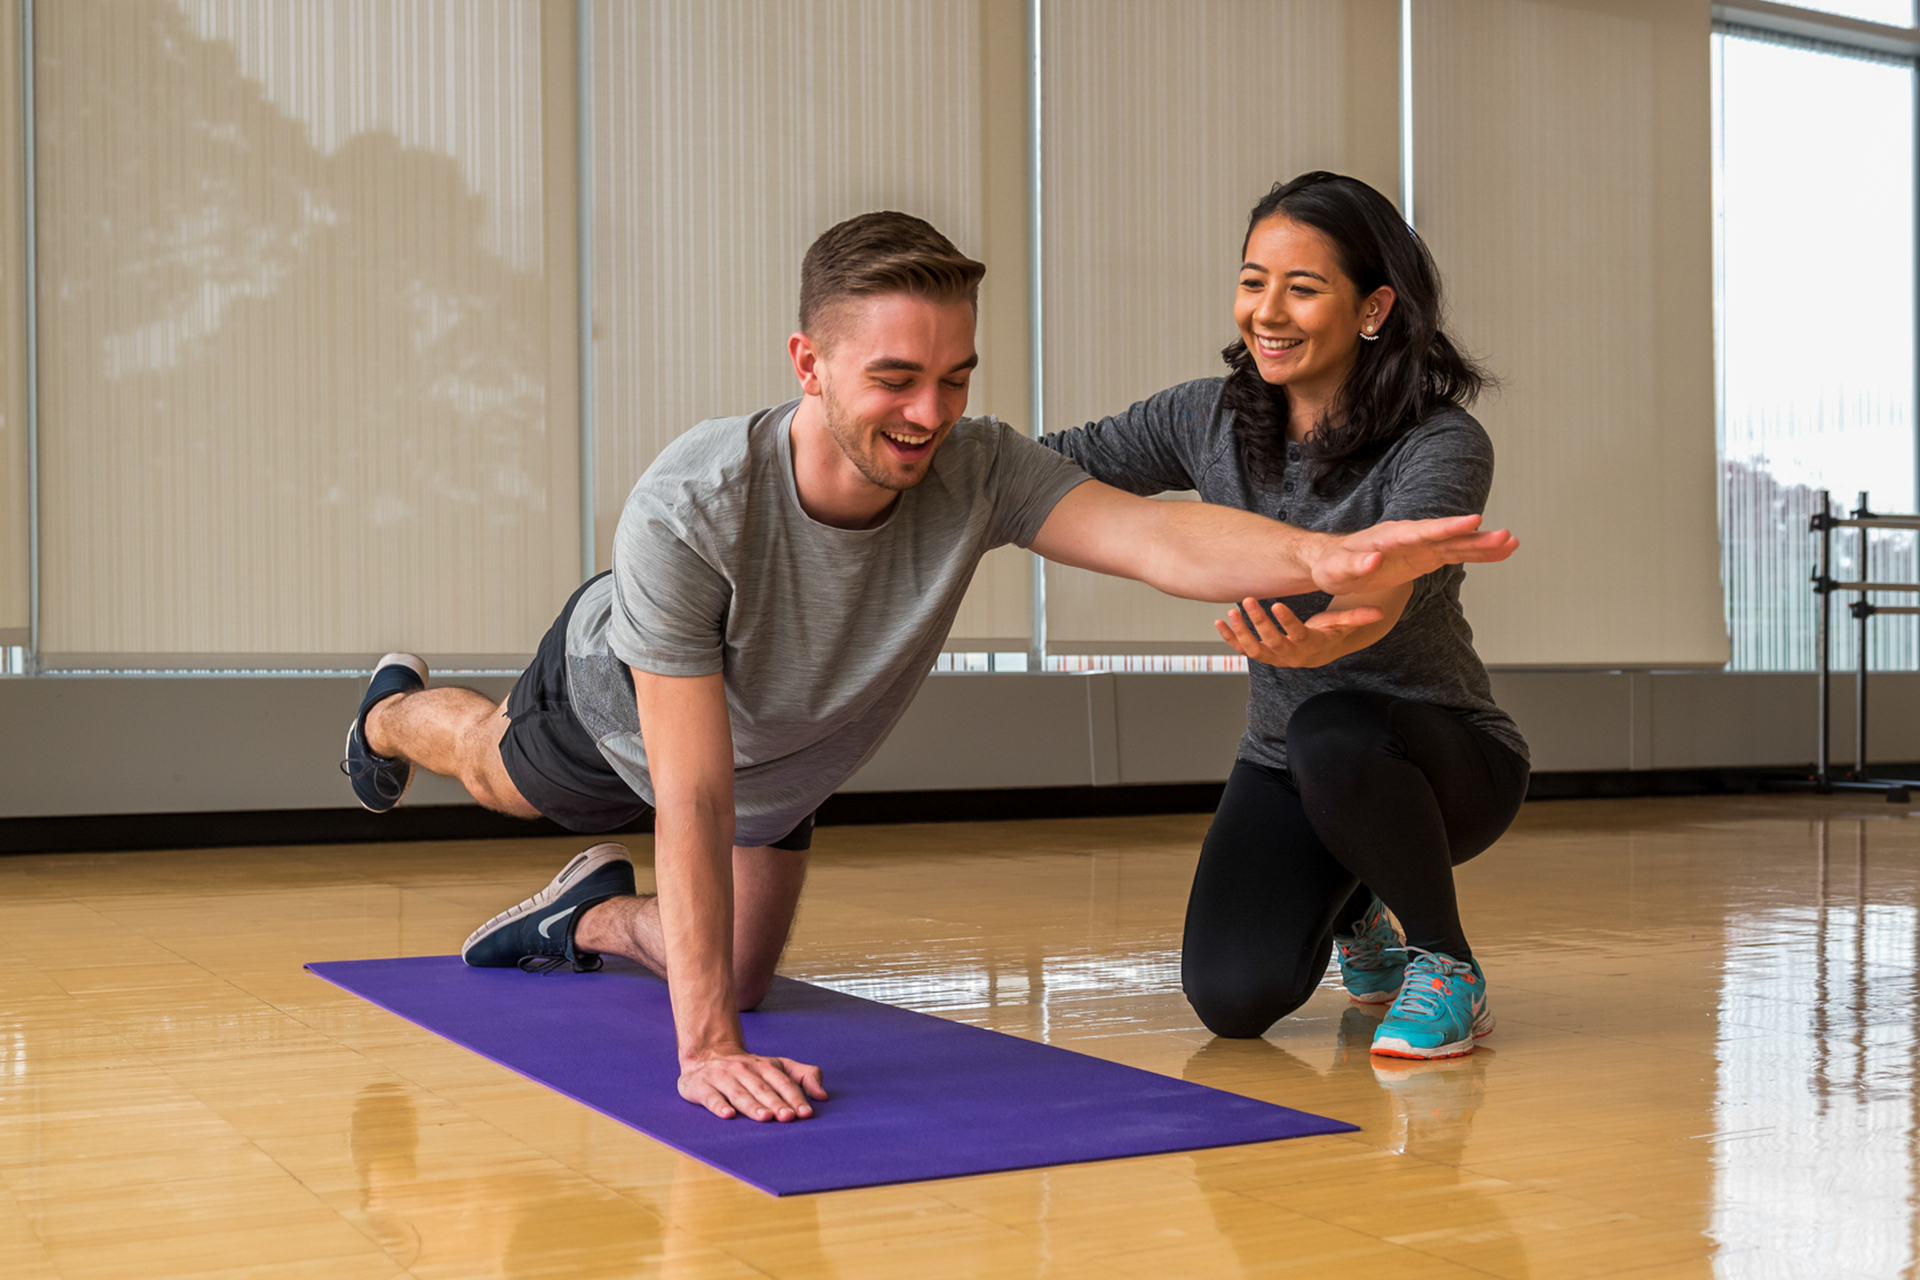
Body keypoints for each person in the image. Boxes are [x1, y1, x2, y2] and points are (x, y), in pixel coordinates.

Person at [338, 211, 1519, 1122]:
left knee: (740, 973)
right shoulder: (691, 507)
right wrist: (703, 1051)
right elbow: (691, 793)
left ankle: (587, 920)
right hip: (619, 715)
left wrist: (1332, 550)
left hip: (781, 763)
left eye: (954, 377)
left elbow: (1156, 535)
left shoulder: (975, 467)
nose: (928, 411)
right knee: (497, 768)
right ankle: (393, 710)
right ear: (809, 360)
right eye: (894, 378)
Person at [1044, 172, 1530, 1061]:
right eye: (1252, 279)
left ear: (1373, 307)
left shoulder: (1441, 442)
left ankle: (1448, 965)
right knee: (1233, 997)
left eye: (1303, 288)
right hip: (1288, 764)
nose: (1267, 310)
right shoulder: (1208, 416)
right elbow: (1052, 467)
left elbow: (1390, 587)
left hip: (1443, 766)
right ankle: (1360, 909)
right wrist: (915, 443)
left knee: (1331, 725)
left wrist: (1334, 631)